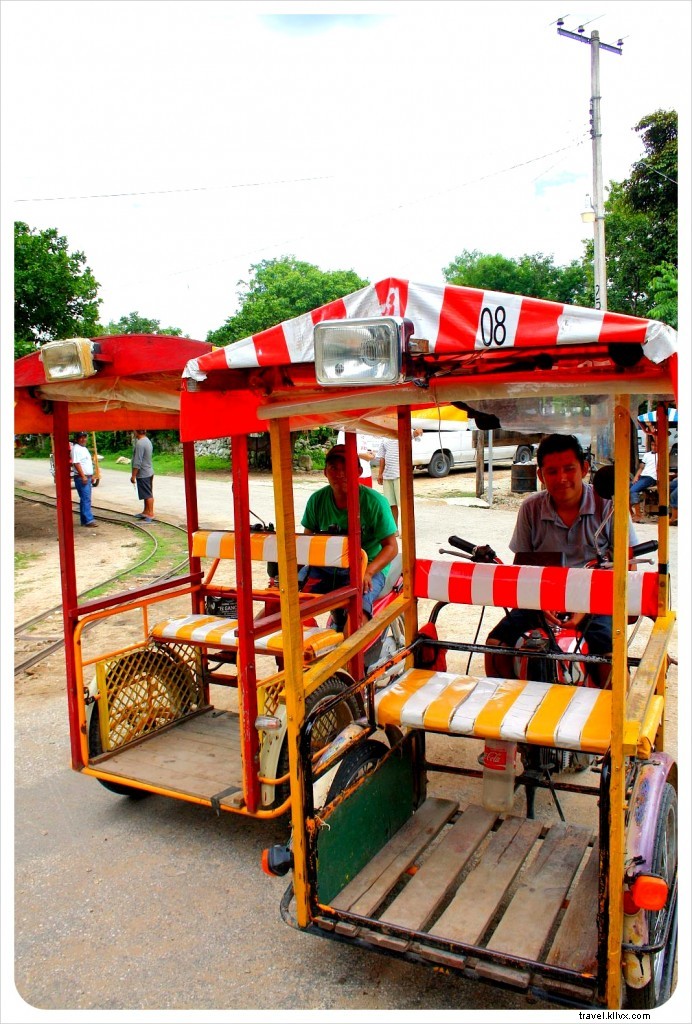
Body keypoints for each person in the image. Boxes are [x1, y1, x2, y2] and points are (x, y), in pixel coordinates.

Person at [485, 433, 638, 689]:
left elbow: (629, 567)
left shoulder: (610, 506)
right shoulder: (530, 508)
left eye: (569, 469)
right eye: (552, 471)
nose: (562, 478)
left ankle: (614, 710)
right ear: (540, 475)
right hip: (541, 599)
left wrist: (586, 605)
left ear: (584, 469)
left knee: (610, 661)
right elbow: (521, 567)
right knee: (495, 647)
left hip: (597, 600)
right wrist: (537, 601)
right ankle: (511, 703)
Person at [300, 444, 398, 626]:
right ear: (325, 472)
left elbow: (391, 547)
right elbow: (307, 543)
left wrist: (368, 572)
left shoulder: (375, 502)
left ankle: (354, 643)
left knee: (358, 612)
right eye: (334, 468)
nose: (340, 474)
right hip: (327, 567)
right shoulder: (316, 500)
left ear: (359, 472)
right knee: (287, 595)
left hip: (366, 566)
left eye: (347, 468)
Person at [376, 429, 423, 528]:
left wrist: (418, 431)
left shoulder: (403, 431)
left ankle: (406, 529)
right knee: (390, 504)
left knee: (403, 504)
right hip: (388, 475)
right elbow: (382, 457)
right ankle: (394, 529)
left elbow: (415, 433)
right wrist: (380, 473)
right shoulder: (384, 436)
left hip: (400, 475)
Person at [71, 431, 97, 528]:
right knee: (86, 499)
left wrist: (92, 475)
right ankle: (89, 520)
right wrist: (83, 476)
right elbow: (76, 463)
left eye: (84, 437)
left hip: (87, 476)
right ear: (77, 439)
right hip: (82, 477)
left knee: (84, 499)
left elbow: (88, 463)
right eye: (81, 438)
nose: (83, 439)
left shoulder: (84, 448)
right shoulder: (76, 449)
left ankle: (84, 520)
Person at [629, 439, 658, 522]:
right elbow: (641, 468)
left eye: (655, 445)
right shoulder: (647, 455)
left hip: (651, 478)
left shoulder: (661, 455)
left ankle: (638, 515)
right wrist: (636, 477)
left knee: (633, 490)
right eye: (652, 445)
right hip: (642, 476)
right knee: (625, 489)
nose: (654, 447)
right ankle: (631, 513)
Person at [131, 429, 155, 522]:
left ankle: (151, 513)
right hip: (149, 471)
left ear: (136, 432)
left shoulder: (140, 443)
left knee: (147, 494)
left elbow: (137, 461)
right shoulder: (147, 440)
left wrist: (133, 476)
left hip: (143, 473)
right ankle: (146, 511)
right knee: (146, 493)